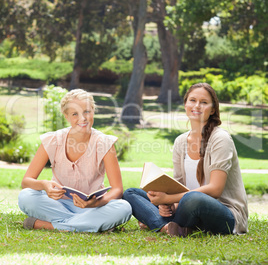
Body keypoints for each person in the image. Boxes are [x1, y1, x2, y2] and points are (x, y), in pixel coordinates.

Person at [123, 83, 248, 236]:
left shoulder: (220, 139)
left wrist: (169, 198)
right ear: (185, 104)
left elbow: (215, 189)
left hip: (224, 214)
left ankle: (156, 222)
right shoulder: (180, 142)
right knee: (131, 193)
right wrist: (168, 205)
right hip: (186, 207)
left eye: (204, 102)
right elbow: (179, 187)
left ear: (213, 109)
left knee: (193, 198)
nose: (197, 106)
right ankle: (169, 227)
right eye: (192, 100)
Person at [18, 89, 132, 232]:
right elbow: (26, 181)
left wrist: (96, 204)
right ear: (66, 116)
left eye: (87, 112)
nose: (83, 118)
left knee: (124, 208)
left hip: (93, 208)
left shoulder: (104, 143)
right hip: (58, 205)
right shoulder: (52, 140)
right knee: (25, 196)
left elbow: (117, 189)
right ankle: (89, 225)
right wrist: (44, 185)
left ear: (93, 111)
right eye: (75, 114)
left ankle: (49, 225)